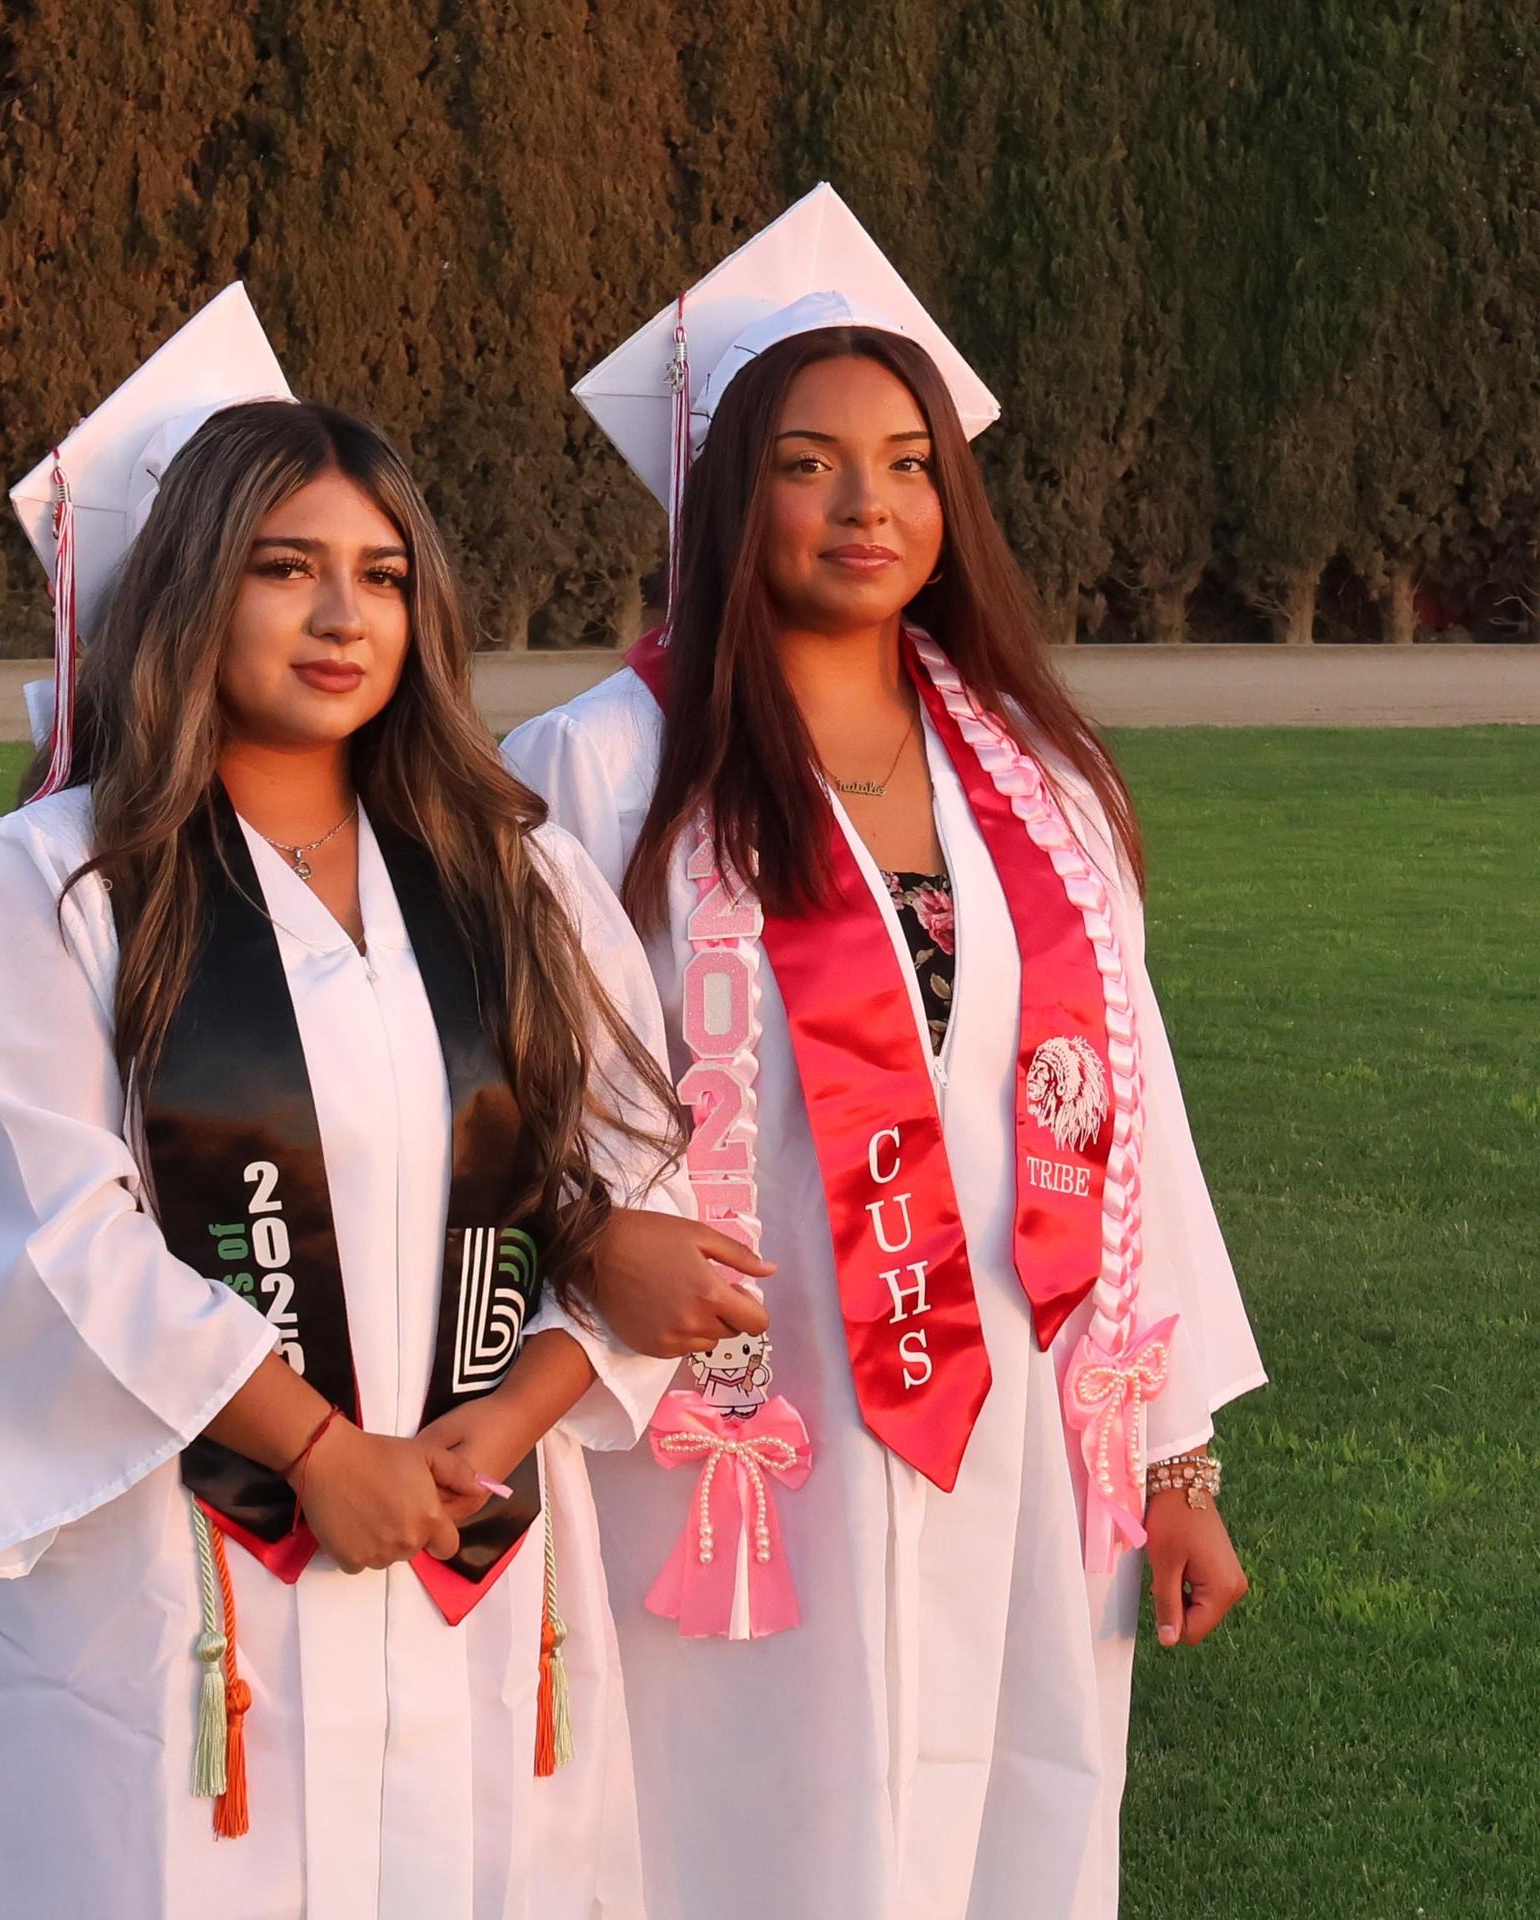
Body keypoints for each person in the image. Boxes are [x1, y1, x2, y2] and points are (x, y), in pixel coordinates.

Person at [0, 286, 699, 1919]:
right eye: (287, 568)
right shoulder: (52, 885)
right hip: (203, 1563)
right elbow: (54, 1241)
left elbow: (622, 1172)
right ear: (190, 593)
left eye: (382, 577)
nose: (344, 617)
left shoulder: (510, 866)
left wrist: (513, 1416)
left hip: (478, 1536)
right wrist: (317, 1448)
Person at [505, 185, 1266, 1920]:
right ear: (722, 490)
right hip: (745, 1441)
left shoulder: (1034, 775)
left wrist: (1177, 1461)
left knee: (1019, 1806)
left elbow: (1134, 1120)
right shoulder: (607, 766)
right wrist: (585, 1233)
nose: (871, 502)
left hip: (1022, 1419)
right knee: (741, 1827)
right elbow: (504, 1079)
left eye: (912, 459)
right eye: (810, 461)